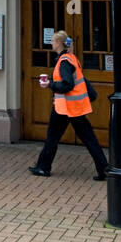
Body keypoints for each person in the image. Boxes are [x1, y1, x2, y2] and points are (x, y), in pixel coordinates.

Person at [29, 30, 108, 181]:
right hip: (74, 107)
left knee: (52, 137)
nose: (51, 43)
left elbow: (67, 85)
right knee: (88, 138)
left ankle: (43, 167)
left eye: (53, 41)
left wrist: (50, 85)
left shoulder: (64, 61)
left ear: (59, 43)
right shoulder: (70, 58)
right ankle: (103, 168)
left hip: (65, 107)